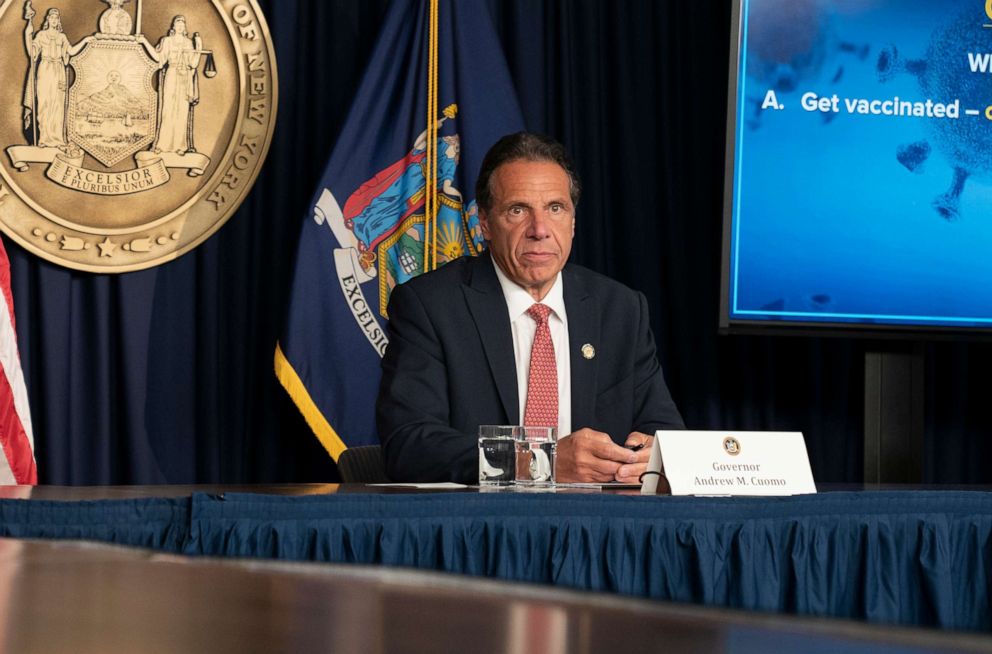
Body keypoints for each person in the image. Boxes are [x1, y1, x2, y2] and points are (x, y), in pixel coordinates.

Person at [376, 132, 684, 484]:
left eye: (555, 208)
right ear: (485, 224)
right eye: (518, 210)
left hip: (598, 528)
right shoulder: (431, 306)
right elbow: (410, 445)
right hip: (482, 528)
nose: (540, 230)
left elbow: (664, 434)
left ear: (572, 222)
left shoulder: (621, 309)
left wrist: (650, 455)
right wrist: (539, 463)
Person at [22, 7, 89, 148]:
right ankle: (44, 139)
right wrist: (28, 31)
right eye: (51, 17)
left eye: (56, 18)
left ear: (58, 21)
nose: (54, 20)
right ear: (48, 20)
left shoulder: (62, 37)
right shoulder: (41, 35)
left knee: (58, 106)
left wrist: (86, 40)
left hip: (58, 72)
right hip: (45, 70)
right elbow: (32, 53)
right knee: (44, 104)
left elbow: (71, 51)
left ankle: (57, 139)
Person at [150, 16, 202, 154]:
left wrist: (199, 47)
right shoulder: (167, 41)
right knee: (168, 110)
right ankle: (163, 145)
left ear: (184, 27)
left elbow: (193, 63)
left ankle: (180, 146)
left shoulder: (188, 43)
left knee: (182, 111)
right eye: (177, 23)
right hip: (172, 74)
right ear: (173, 26)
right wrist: (144, 42)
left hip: (185, 77)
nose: (180, 26)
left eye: (182, 24)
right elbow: (159, 59)